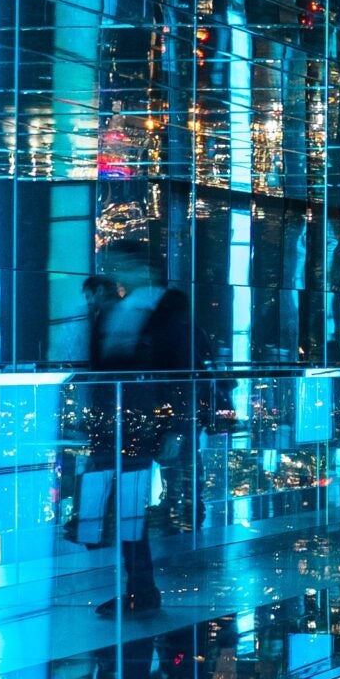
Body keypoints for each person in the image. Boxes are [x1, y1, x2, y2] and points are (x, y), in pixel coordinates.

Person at [79, 241, 203, 616]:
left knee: (130, 504)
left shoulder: (167, 311)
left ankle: (141, 587)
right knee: (118, 505)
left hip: (146, 425)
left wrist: (176, 427)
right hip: (114, 425)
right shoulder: (115, 312)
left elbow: (184, 372)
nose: (116, 272)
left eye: (121, 264)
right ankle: (138, 586)